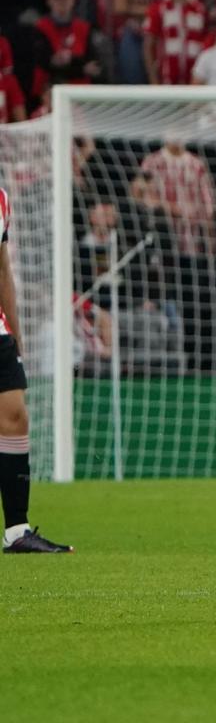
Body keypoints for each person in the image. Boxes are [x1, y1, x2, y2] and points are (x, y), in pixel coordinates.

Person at [0, 188, 72, 554]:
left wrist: (14, 328)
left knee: (15, 417)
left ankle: (17, 530)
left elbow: (3, 269)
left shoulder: (1, 199)